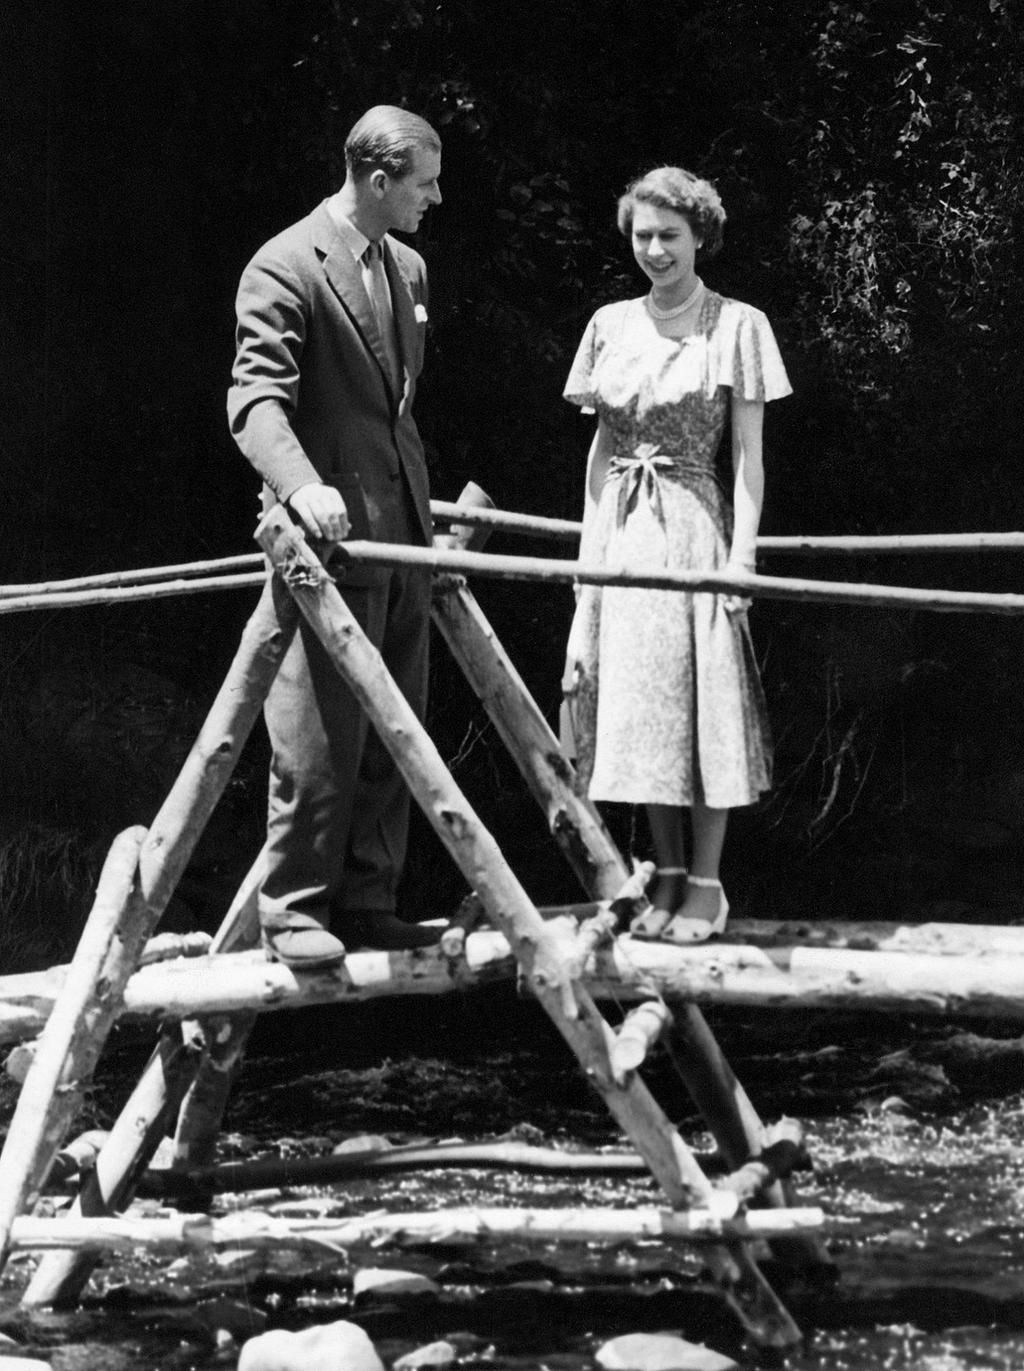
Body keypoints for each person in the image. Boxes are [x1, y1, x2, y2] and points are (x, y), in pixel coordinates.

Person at [227, 105, 444, 969]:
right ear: (378, 180)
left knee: (399, 728)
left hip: (406, 535)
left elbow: (395, 407)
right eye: (424, 182)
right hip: (324, 541)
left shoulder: (413, 268)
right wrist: (303, 485)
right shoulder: (284, 264)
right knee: (317, 735)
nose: (436, 197)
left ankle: (369, 896)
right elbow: (254, 403)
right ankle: (293, 907)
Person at [561, 165, 790, 944]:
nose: (656, 250)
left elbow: (750, 461)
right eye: (642, 236)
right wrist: (589, 561)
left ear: (700, 238)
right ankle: (661, 870)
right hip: (624, 533)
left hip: (695, 525)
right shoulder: (609, 324)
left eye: (670, 236)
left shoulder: (738, 325)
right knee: (641, 705)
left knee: (704, 704)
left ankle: (706, 882)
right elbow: (601, 451)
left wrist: (743, 560)